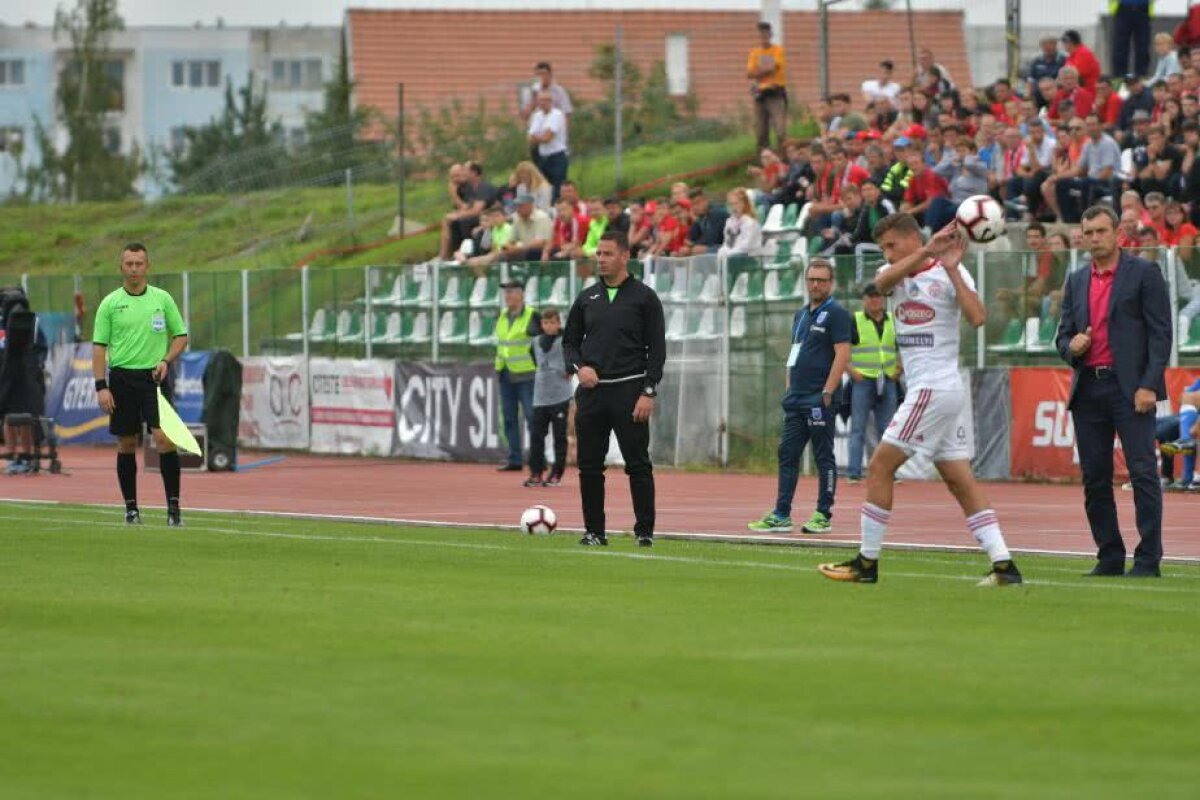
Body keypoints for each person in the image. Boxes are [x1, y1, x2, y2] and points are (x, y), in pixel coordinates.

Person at [818, 215, 1024, 586]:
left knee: (880, 467)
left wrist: (953, 269)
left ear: (912, 238)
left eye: (892, 245)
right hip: (931, 390)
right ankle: (1005, 565)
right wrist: (927, 252)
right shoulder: (894, 272)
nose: (887, 253)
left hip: (935, 388)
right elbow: (878, 284)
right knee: (959, 480)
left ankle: (867, 563)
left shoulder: (948, 274)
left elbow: (978, 317)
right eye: (883, 248)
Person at [1054, 204, 1171, 577]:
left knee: (1142, 474)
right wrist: (1070, 347)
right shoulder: (1075, 280)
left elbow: (1160, 333)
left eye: (1101, 231)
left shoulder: (1144, 273)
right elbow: (1063, 335)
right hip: (1088, 388)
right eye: (1088, 233)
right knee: (1095, 478)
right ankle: (1109, 556)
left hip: (1130, 389)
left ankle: (1149, 558)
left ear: (1118, 233)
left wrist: (1149, 385)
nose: (1094, 238)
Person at [562, 230, 666, 547]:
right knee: (590, 466)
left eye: (608, 254)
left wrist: (648, 391)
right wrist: (581, 368)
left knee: (637, 464)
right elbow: (569, 343)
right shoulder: (586, 298)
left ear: (624, 256)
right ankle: (595, 531)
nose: (602, 260)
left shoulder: (644, 298)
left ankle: (644, 532)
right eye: (599, 254)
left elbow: (657, 350)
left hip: (629, 391)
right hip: (592, 395)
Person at [748, 259, 851, 534]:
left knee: (822, 456)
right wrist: (789, 385)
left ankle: (823, 514)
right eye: (812, 279)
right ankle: (781, 514)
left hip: (819, 398)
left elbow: (843, 353)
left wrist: (828, 391)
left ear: (830, 283)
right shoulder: (801, 314)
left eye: (821, 280)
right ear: (806, 282)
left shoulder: (837, 313)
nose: (816, 284)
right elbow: (794, 351)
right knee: (787, 453)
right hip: (796, 399)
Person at [91, 243, 189, 526]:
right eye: (129, 264)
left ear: (148, 266)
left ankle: (173, 508)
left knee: (163, 438)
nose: (134, 268)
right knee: (127, 442)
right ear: (121, 267)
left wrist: (167, 360)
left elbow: (181, 336)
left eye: (139, 263)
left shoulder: (162, 299)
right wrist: (101, 386)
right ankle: (131, 509)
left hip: (154, 379)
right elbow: (98, 348)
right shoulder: (110, 304)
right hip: (121, 378)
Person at [846, 282, 900, 483]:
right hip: (863, 379)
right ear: (864, 300)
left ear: (884, 298)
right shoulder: (856, 320)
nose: (875, 299)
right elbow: (841, 348)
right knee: (858, 428)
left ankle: (888, 473)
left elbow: (900, 347)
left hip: (887, 379)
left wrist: (899, 370)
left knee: (888, 430)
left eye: (878, 296)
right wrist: (851, 371)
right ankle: (853, 473)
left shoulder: (893, 321)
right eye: (870, 296)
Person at [493, 280, 541, 472]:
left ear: (521, 294)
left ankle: (538, 458)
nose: (507, 296)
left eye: (511, 292)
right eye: (506, 292)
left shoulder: (532, 316)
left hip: (527, 375)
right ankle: (515, 458)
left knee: (532, 418)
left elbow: (542, 342)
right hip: (505, 374)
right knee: (509, 419)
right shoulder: (502, 316)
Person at [0, 289, 47, 475]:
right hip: (7, 374)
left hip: (26, 373)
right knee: (11, 416)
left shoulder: (33, 322)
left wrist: (38, 364)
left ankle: (25, 456)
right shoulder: (2, 323)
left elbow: (42, 346)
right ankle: (15, 456)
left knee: (24, 415)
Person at [526, 307, 572, 488]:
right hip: (540, 396)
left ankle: (556, 473)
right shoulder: (536, 342)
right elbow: (534, 359)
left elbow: (574, 357)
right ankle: (536, 472)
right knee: (537, 436)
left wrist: (569, 369)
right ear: (541, 324)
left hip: (560, 396)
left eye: (553, 322)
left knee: (559, 437)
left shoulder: (565, 341)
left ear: (559, 323)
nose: (549, 326)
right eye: (546, 322)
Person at [747, 21, 788, 152]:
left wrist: (759, 71)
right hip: (760, 94)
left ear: (770, 34)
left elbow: (773, 67)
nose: (763, 37)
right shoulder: (754, 52)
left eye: (766, 34)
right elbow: (749, 73)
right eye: (761, 34)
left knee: (780, 130)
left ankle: (784, 158)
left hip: (775, 93)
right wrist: (763, 69)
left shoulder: (778, 50)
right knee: (761, 132)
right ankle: (764, 162)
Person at [527, 90, 569, 201]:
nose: (543, 103)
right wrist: (540, 137)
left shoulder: (557, 115)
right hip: (542, 157)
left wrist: (538, 137)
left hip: (557, 157)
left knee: (557, 190)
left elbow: (547, 138)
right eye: (541, 100)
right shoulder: (537, 116)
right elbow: (530, 139)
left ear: (551, 101)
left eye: (546, 100)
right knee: (543, 189)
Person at [1160, 377, 1200, 490]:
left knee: (1193, 431)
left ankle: (1186, 439)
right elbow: (1182, 398)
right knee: (1159, 427)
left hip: (1192, 421)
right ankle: (1169, 477)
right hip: (1189, 418)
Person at [1112, 0, 1153, 79]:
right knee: (1120, 47)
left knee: (1143, 47)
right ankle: (1119, 78)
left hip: (1143, 9)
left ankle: (1141, 77)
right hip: (1122, 8)